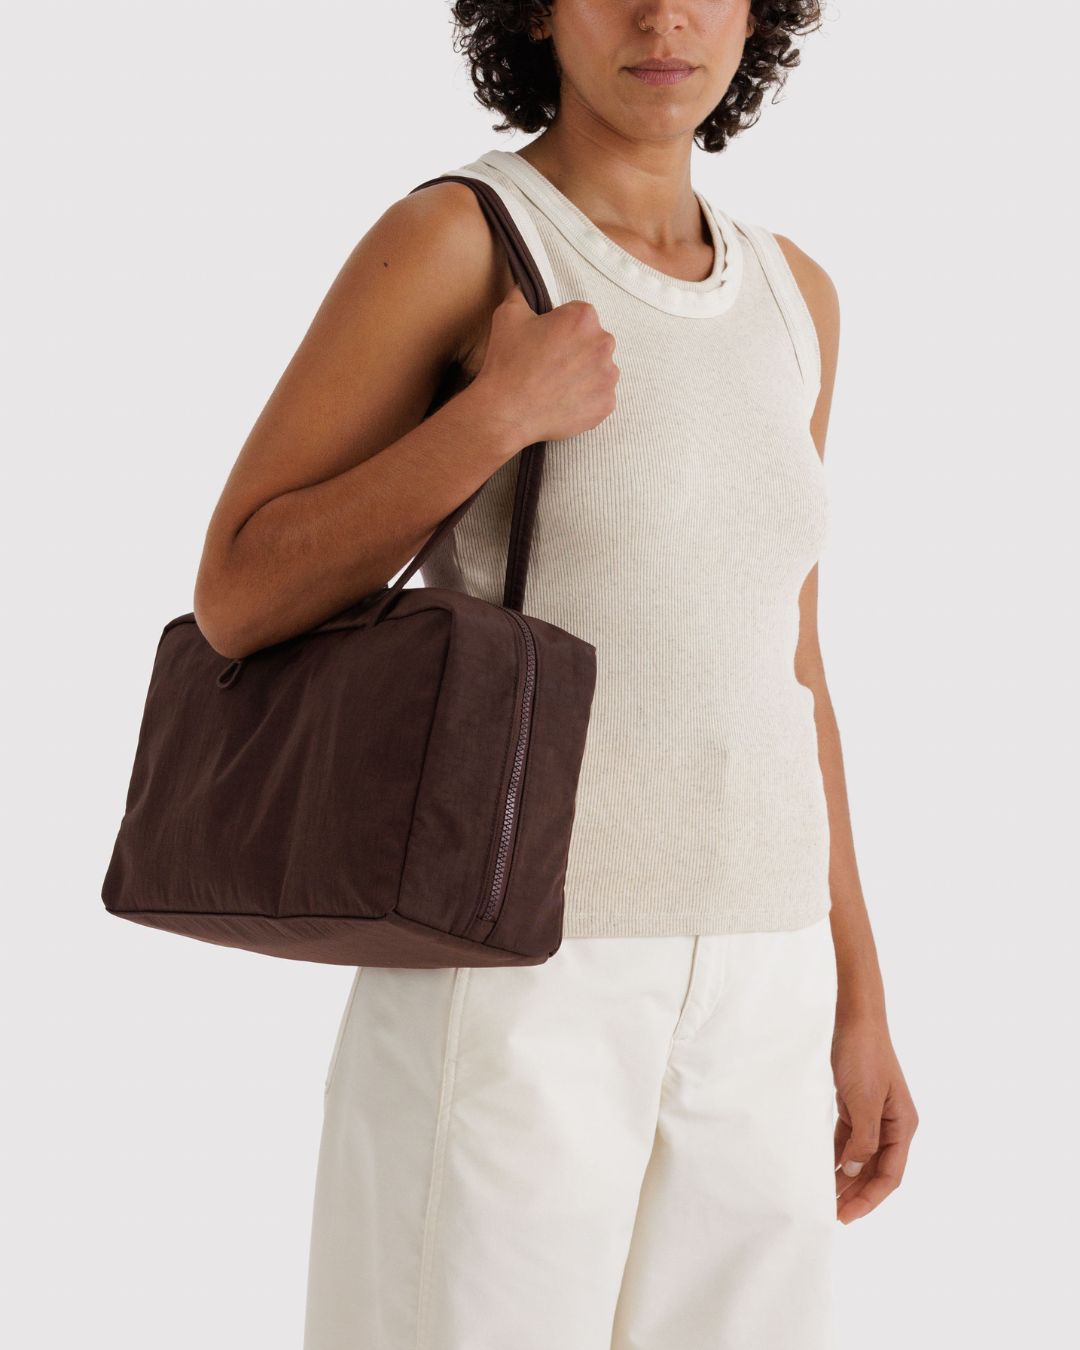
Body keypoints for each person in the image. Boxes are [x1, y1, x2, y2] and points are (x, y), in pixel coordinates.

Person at [193, 3, 919, 1347]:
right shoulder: (461, 240)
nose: (663, 16)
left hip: (763, 976)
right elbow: (236, 593)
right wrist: (494, 417)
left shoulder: (795, 294)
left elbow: (791, 660)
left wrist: (856, 994)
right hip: (517, 960)